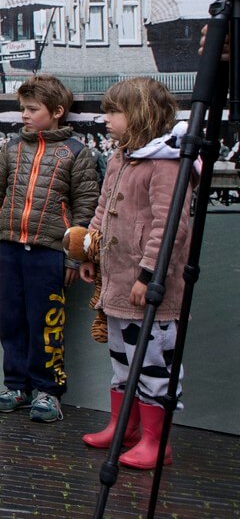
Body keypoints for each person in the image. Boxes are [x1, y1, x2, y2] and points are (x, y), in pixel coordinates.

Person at [78, 78, 192, 469]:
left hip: (147, 289)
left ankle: (156, 441)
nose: (105, 119)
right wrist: (90, 251)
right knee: (122, 359)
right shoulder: (120, 158)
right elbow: (102, 209)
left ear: (140, 115)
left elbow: (170, 226)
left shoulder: (166, 163)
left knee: (152, 363)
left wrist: (148, 275)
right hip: (117, 285)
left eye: (113, 112)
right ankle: (123, 425)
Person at [0, 74, 100, 422]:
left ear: (58, 111)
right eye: (23, 109)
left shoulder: (77, 154)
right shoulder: (11, 149)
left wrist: (74, 258)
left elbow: (86, 209)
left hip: (50, 252)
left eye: (33, 109)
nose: (25, 116)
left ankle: (49, 391)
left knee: (46, 323)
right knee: (10, 320)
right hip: (11, 247)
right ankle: (16, 386)